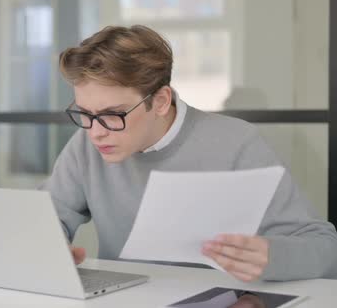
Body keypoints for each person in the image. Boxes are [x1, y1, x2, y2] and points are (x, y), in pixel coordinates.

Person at [40, 25, 337, 282]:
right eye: (85, 114)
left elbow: (324, 247)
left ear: (159, 101)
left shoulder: (236, 142)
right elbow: (45, 221)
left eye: (113, 115)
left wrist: (273, 257)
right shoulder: (86, 144)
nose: (95, 131)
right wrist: (49, 248)